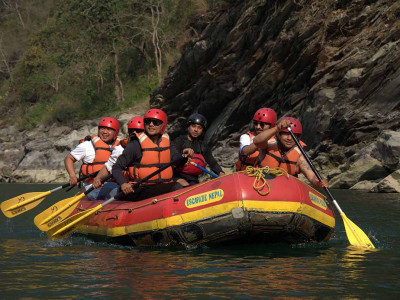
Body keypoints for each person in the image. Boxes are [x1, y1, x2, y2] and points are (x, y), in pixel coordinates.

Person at [112, 108, 190, 201]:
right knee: (176, 186)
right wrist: (123, 183)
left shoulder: (167, 141)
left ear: (163, 125)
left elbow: (176, 158)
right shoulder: (136, 144)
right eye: (148, 121)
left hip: (161, 186)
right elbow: (116, 167)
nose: (151, 125)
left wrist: (184, 157)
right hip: (139, 189)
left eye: (156, 122)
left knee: (187, 186)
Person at [253, 117, 329, 188]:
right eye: (286, 134)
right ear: (279, 135)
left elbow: (312, 177)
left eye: (294, 135)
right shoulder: (268, 144)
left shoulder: (299, 156)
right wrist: (277, 128)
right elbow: (256, 141)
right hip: (260, 184)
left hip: (283, 190)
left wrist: (319, 182)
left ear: (298, 138)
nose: (289, 138)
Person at [64, 117, 121, 200]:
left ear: (115, 132)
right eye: (102, 128)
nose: (105, 131)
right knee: (113, 188)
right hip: (93, 188)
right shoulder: (87, 145)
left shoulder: (120, 147)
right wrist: (72, 176)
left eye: (109, 129)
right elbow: (69, 158)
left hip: (115, 185)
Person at [92, 116, 145, 196]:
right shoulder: (120, 149)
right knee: (105, 189)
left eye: (139, 131)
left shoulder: (157, 147)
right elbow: (109, 167)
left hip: (148, 185)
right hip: (128, 186)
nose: (135, 133)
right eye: (132, 131)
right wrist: (98, 178)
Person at [172, 113, 225, 186]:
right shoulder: (179, 140)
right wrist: (183, 152)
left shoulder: (202, 146)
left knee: (194, 187)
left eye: (199, 128)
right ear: (188, 127)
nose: (196, 130)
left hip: (193, 179)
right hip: (177, 176)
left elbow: (212, 163)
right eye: (193, 126)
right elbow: (173, 156)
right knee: (184, 185)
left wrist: (221, 172)